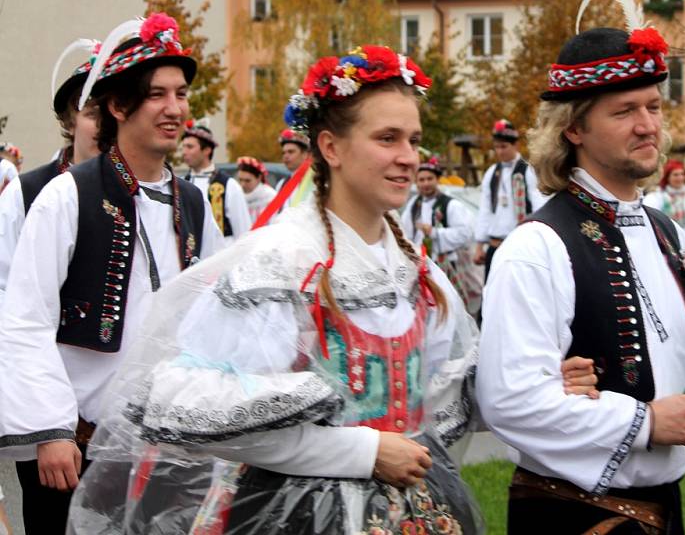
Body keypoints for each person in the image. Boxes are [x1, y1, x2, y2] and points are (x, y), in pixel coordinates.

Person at [67, 44, 597, 534]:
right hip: (292, 511)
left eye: (413, 140)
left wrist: (530, 379)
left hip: (416, 507)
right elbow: (180, 403)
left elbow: (436, 390)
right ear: (330, 147)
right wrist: (357, 450)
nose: (409, 156)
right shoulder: (281, 264)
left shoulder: (419, 273)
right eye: (387, 138)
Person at [476, 0, 685, 535]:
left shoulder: (666, 231)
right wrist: (643, 421)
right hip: (571, 514)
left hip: (659, 508)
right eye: (624, 111)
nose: (648, 124)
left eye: (653, 106)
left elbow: (672, 366)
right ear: (573, 128)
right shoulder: (537, 247)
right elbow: (509, 402)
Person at [0, 12, 224, 535]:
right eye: (158, 95)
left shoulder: (192, 203)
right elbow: (26, 317)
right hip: (74, 447)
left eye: (182, 93)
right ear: (118, 106)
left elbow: (212, 314)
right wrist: (51, 428)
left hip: (167, 446)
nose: (176, 109)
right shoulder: (66, 194)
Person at [0, 38, 102, 308]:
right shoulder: (26, 191)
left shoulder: (137, 192)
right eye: (93, 114)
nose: (105, 127)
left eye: (113, 115)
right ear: (70, 122)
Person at [401, 156, 480, 314]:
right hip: (422, 267)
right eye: (421, 180)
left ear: (437, 179)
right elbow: (405, 234)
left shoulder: (451, 205)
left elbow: (465, 233)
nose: (425, 183)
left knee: (450, 307)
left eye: (429, 179)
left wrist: (435, 233)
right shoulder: (413, 205)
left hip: (448, 266)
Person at [473, 119, 547, 280]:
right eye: (497, 147)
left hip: (520, 248)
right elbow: (485, 209)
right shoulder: (492, 172)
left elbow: (539, 207)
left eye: (504, 146)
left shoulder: (528, 170)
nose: (499, 152)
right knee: (490, 298)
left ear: (516, 145)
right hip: (494, 245)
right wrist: (479, 245)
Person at [182, 118, 251, 242]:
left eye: (190, 147)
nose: (184, 152)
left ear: (207, 150)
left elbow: (244, 233)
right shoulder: (181, 185)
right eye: (183, 147)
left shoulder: (229, 186)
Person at [237, 155, 277, 224]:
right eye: (240, 180)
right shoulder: (237, 197)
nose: (242, 185)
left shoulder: (271, 198)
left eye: (247, 180)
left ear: (259, 178)